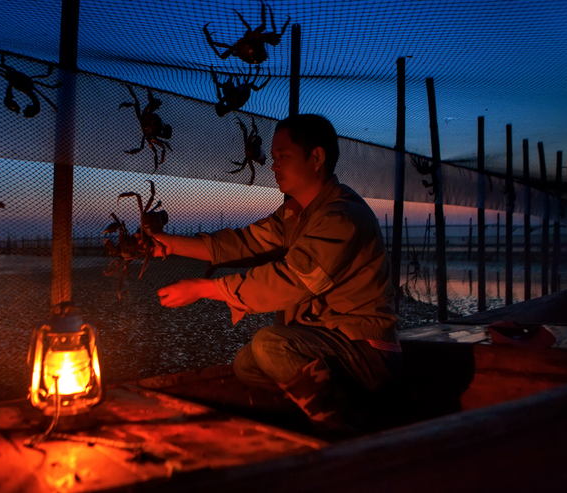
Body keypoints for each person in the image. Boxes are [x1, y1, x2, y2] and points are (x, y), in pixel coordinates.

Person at [151, 114, 402, 434]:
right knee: (247, 362)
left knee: (270, 345)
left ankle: (344, 433)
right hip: (330, 345)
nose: (273, 165)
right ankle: (320, 411)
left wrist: (204, 288)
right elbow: (245, 242)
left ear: (316, 157)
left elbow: (291, 281)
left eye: (283, 156)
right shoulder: (296, 214)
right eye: (273, 158)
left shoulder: (341, 217)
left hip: (367, 354)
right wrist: (170, 245)